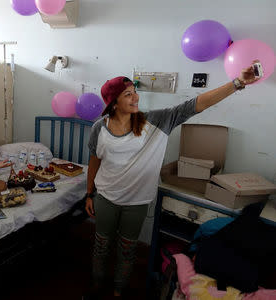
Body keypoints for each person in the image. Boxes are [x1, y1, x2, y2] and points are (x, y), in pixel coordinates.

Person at [84, 61, 260, 298]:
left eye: (135, 91)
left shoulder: (156, 122)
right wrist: (89, 193)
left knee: (127, 249)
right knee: (101, 246)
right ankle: (96, 288)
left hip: (136, 203)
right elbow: (94, 161)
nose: (135, 97)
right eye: (128, 94)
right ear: (114, 103)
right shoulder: (99, 128)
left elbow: (196, 105)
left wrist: (237, 83)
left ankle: (117, 292)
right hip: (105, 197)